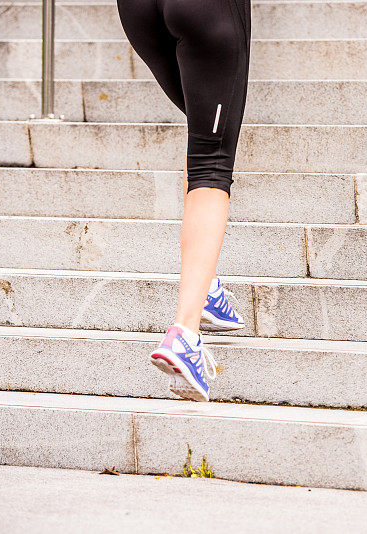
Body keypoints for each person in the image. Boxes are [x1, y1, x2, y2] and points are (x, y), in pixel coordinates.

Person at [116, 0, 251, 402]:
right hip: (205, 9)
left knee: (204, 137)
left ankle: (205, 284)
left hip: (138, 11)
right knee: (212, 163)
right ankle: (185, 335)